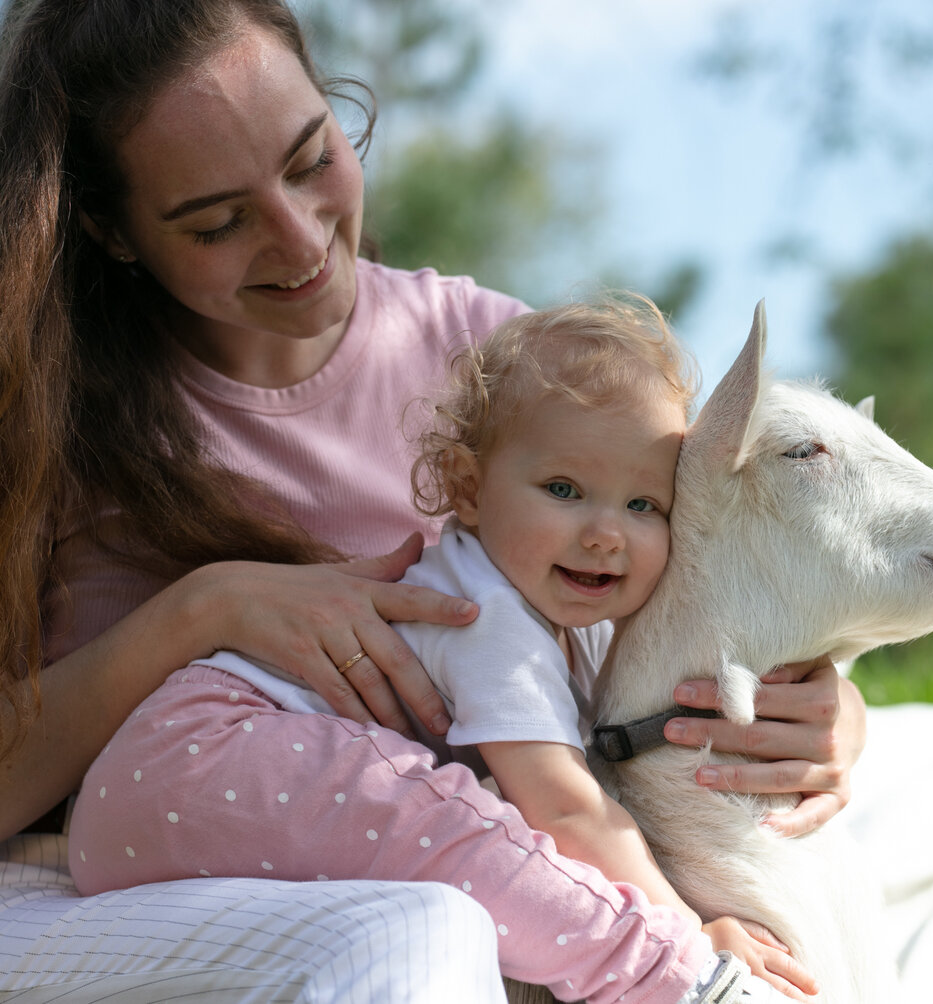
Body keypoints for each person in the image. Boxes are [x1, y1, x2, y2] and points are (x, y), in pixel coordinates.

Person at [0, 0, 866, 1000]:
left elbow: (675, 608)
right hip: (82, 888)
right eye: (219, 222)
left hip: (423, 875)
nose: (299, 239)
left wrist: (825, 705)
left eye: (310, 157)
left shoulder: (502, 372)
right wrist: (202, 611)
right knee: (420, 933)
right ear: (111, 230)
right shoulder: (43, 412)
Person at [67, 297, 820, 999]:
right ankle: (675, 977)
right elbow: (566, 809)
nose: (605, 532)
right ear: (467, 488)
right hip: (200, 755)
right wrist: (688, 927)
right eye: (563, 489)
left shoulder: (561, 616)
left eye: (642, 504)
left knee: (451, 824)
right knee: (463, 832)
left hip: (152, 809)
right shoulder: (485, 611)